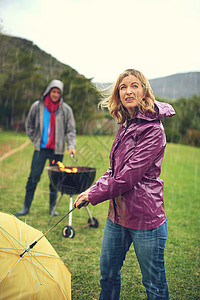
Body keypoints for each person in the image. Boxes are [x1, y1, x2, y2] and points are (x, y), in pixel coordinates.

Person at [74, 69, 175, 299]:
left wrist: (95, 195)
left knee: (154, 285)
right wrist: (93, 188)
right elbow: (114, 170)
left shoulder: (153, 130)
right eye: (122, 87)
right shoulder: (127, 124)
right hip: (117, 216)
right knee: (107, 275)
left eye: (134, 85)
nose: (128, 90)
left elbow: (128, 177)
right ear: (118, 94)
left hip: (145, 218)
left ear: (144, 91)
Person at [16, 79, 76, 217]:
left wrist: (71, 146)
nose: (55, 94)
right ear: (48, 91)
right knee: (33, 177)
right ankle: (26, 207)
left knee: (54, 180)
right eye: (53, 91)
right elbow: (29, 124)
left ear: (61, 94)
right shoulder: (37, 106)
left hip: (57, 150)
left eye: (58, 92)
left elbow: (71, 130)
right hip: (41, 149)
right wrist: (34, 139)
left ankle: (52, 208)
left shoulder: (66, 110)